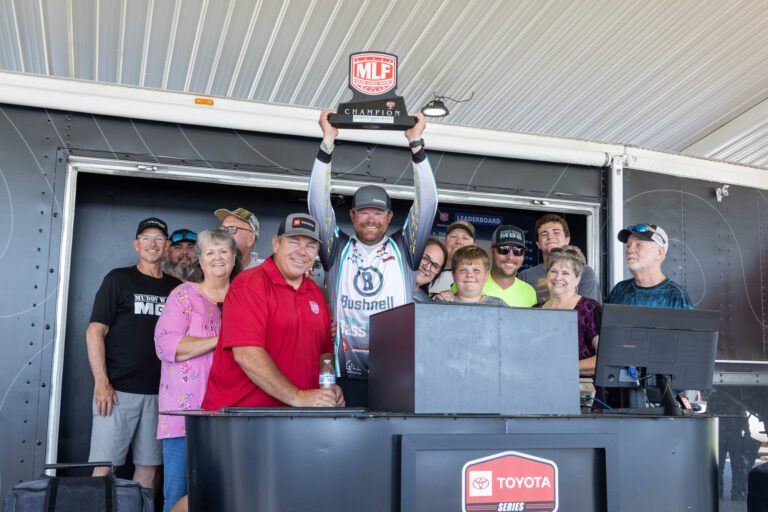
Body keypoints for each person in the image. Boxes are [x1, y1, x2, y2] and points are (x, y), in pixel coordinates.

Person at [308, 110, 437, 407]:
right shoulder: (336, 248)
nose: (370, 219)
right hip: (344, 374)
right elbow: (317, 201)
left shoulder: (404, 248)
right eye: (363, 211)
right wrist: (327, 142)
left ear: (389, 217)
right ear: (352, 216)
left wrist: (416, 144)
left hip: (394, 372)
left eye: (378, 212)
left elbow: (428, 202)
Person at [202, 213, 344, 409]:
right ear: (276, 244)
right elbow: (247, 354)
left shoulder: (316, 295)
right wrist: (297, 397)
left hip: (295, 418)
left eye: (310, 246)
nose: (302, 252)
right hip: (241, 417)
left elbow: (324, 354)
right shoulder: (249, 285)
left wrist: (329, 387)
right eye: (294, 242)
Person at [85, 217, 181, 491]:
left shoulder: (176, 289)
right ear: (136, 245)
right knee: (104, 468)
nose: (153, 244)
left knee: (148, 469)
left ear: (166, 248)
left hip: (160, 394)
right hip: (117, 392)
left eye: (159, 239)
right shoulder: (118, 279)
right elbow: (94, 331)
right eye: (147, 238)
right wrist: (101, 381)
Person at [154, 229, 240, 512]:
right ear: (200, 261)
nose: (217, 258)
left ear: (234, 257)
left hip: (231, 414)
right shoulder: (183, 296)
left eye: (224, 251)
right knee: (178, 495)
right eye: (210, 252)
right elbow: (167, 345)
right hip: (185, 415)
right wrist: (221, 339)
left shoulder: (244, 297)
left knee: (227, 495)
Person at [533, 246, 600, 375]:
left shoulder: (590, 309)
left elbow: (603, 359)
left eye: (566, 273)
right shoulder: (535, 311)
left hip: (581, 390)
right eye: (553, 271)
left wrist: (563, 367)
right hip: (540, 385)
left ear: (577, 279)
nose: (558, 278)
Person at [518, 213, 602, 304]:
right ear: (538, 244)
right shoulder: (525, 276)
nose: (550, 237)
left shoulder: (584, 271)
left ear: (567, 239)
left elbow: (588, 312)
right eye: (544, 234)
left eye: (556, 232)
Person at [607, 223, 693, 309]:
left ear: (659, 253)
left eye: (638, 245)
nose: (629, 250)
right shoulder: (619, 290)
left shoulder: (676, 296)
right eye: (628, 245)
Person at [483, 225, 537, 307]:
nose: (510, 257)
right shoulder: (471, 283)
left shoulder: (529, 292)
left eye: (517, 251)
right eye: (504, 249)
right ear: (491, 252)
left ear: (523, 256)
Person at [435, 245, 505, 305]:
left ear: (486, 276)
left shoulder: (499, 305)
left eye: (476, 270)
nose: (469, 275)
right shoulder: (443, 302)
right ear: (453, 275)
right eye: (462, 270)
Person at [428, 220, 475, 294]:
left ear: (474, 246)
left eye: (465, 238)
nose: (459, 241)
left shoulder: (480, 277)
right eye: (453, 237)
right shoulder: (428, 269)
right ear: (444, 242)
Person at [413, 237, 448, 301]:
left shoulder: (429, 304)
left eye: (435, 266)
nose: (427, 267)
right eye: (425, 258)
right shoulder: (388, 282)